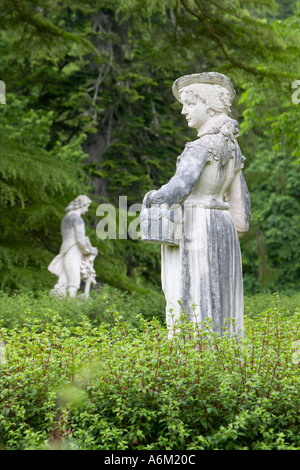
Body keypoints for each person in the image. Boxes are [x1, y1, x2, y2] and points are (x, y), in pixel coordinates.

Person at [142, 72, 251, 337]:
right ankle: (225, 361)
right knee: (223, 300)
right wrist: (230, 230)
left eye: (190, 104)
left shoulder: (199, 147)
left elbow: (180, 187)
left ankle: (192, 363)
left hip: (195, 225)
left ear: (210, 105)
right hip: (222, 226)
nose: (183, 111)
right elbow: (242, 211)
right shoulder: (233, 148)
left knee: (189, 296)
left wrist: (152, 197)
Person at [48, 195, 98, 297]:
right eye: (87, 206)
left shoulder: (66, 218)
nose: (87, 209)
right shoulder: (77, 219)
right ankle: (70, 303)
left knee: (65, 278)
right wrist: (90, 250)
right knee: (74, 280)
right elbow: (80, 240)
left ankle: (64, 300)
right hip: (73, 249)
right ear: (83, 205)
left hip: (66, 247)